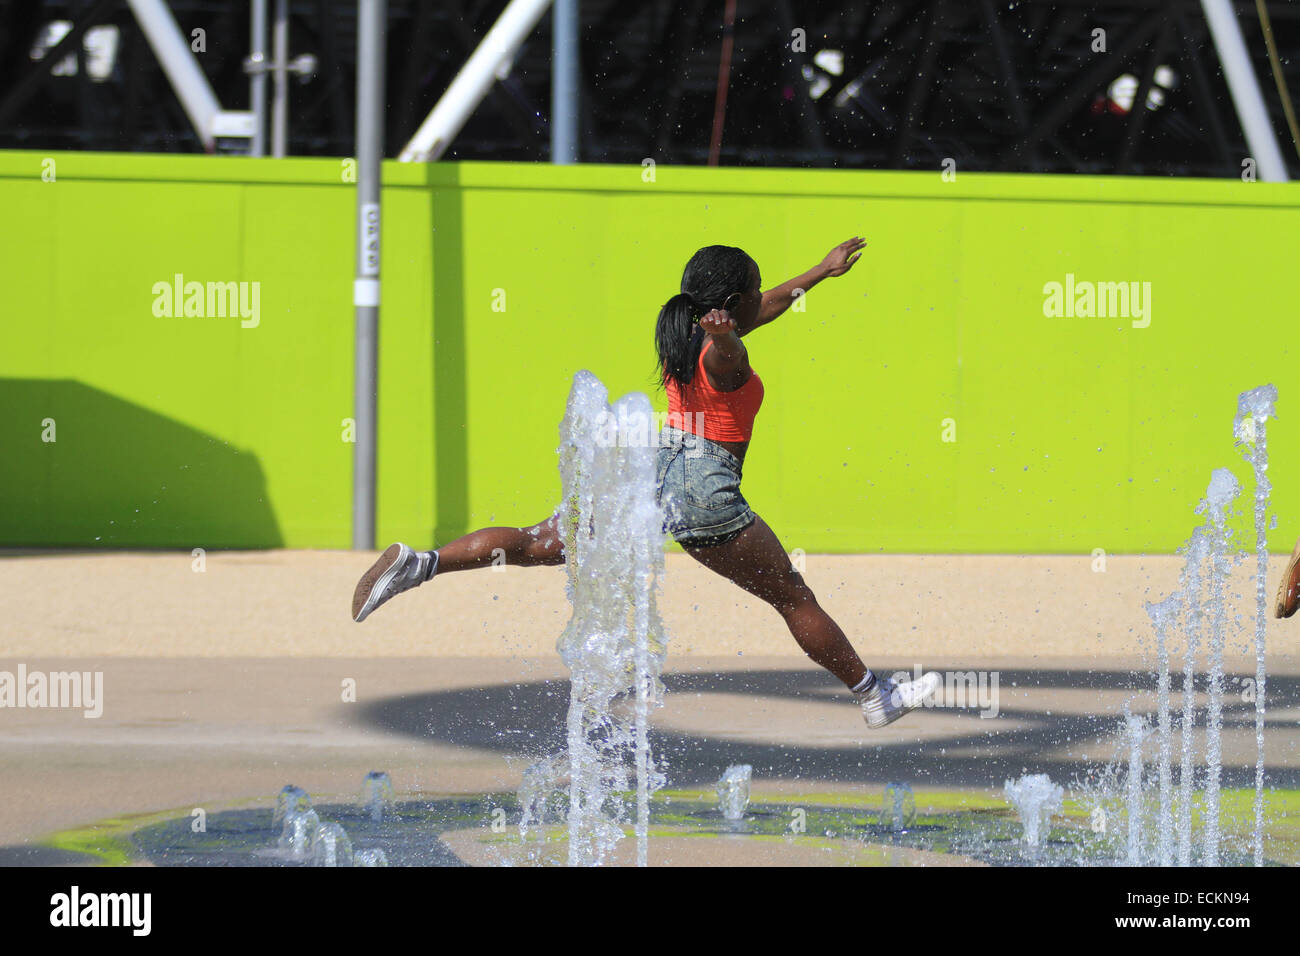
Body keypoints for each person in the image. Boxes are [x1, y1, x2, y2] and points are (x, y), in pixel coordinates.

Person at [352, 239, 940, 729]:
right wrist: (730, 337)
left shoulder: (681, 328)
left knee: (539, 541)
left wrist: (821, 271)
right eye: (753, 293)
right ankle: (872, 695)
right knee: (791, 596)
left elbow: (768, 306)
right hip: (704, 487)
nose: (764, 298)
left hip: (649, 468)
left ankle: (422, 563)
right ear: (731, 306)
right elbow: (731, 353)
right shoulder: (719, 350)